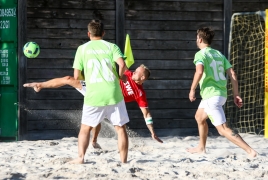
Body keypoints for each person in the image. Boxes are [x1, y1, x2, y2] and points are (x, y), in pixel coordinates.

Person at [23, 64, 163, 144]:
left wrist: (152, 133)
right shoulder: (127, 73)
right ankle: (40, 85)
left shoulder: (140, 93)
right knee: (68, 79)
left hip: (109, 102)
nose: (135, 70)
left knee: (98, 121)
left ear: (142, 77)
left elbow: (146, 113)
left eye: (138, 71)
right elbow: (116, 66)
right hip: (96, 87)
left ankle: (94, 142)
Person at [188, 27, 257, 158]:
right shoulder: (219, 54)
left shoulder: (200, 54)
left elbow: (199, 71)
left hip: (211, 96)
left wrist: (192, 89)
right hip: (220, 94)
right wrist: (236, 94)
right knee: (199, 117)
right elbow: (232, 73)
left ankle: (250, 151)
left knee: (223, 129)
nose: (196, 40)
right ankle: (201, 148)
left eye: (197, 38)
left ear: (200, 39)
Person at [66, 20, 129, 164]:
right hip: (113, 93)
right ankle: (124, 161)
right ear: (103, 33)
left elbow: (76, 76)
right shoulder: (111, 46)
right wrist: (121, 76)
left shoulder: (82, 49)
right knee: (120, 129)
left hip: (93, 94)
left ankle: (81, 158)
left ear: (89, 34)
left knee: (85, 129)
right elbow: (122, 64)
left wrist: (86, 77)